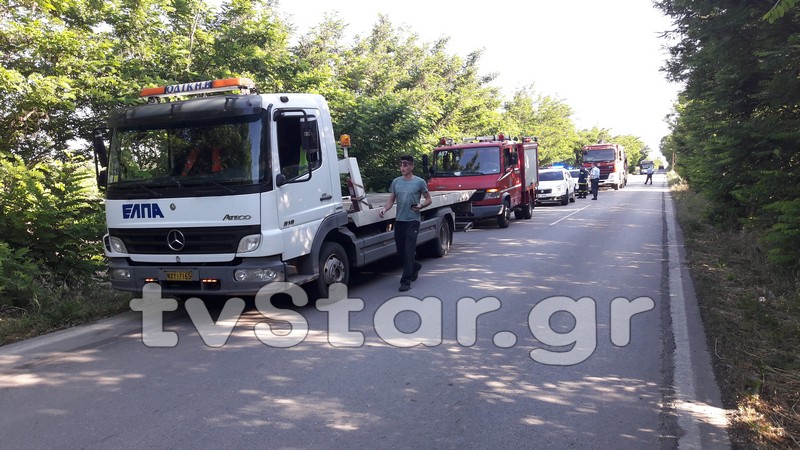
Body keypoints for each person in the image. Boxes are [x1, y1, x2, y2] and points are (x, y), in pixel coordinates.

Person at [379, 155, 433, 292]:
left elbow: (428, 199)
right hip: (400, 220)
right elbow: (391, 200)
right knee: (401, 251)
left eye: (406, 165)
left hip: (413, 220)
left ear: (412, 166)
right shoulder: (396, 182)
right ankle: (414, 266)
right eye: (401, 164)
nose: (402, 167)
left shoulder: (419, 182)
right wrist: (384, 209)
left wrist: (421, 206)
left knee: (409, 251)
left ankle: (406, 281)